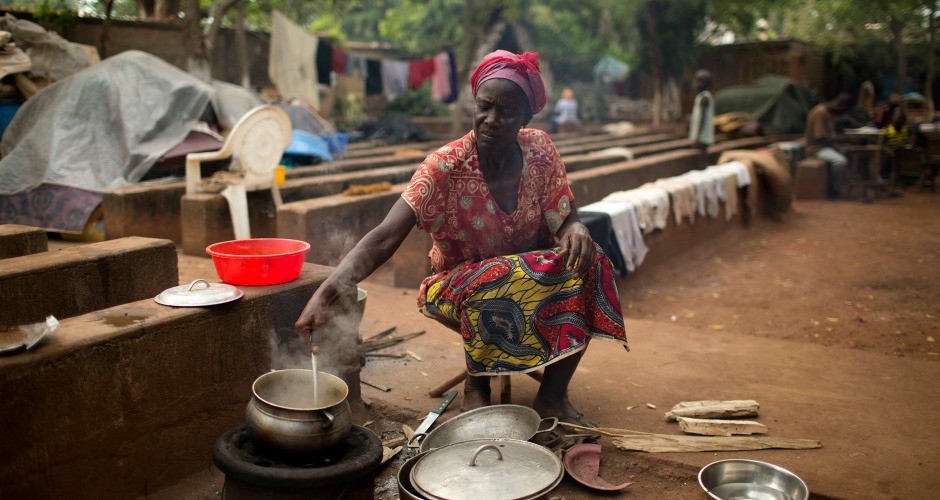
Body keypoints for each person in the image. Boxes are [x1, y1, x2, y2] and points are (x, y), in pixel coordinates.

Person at [295, 50, 628, 426]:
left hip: (531, 274)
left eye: (506, 112)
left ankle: (552, 396)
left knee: (592, 260)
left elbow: (566, 220)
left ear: (526, 117)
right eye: (484, 107)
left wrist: (577, 231)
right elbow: (383, 238)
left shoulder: (539, 150)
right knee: (497, 276)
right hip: (456, 284)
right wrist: (327, 292)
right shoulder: (445, 165)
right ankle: (477, 385)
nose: (492, 120)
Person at [805, 93, 853, 198]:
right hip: (816, 148)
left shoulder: (828, 112)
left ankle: (844, 185)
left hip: (827, 147)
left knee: (848, 152)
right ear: (841, 105)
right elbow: (821, 138)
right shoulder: (820, 112)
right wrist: (843, 138)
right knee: (840, 161)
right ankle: (833, 189)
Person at [688, 69, 715, 153]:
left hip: (702, 136)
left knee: (701, 154)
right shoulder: (701, 96)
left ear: (705, 84)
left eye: (698, 81)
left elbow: (702, 118)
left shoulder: (704, 97)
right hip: (701, 135)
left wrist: (697, 137)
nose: (695, 84)